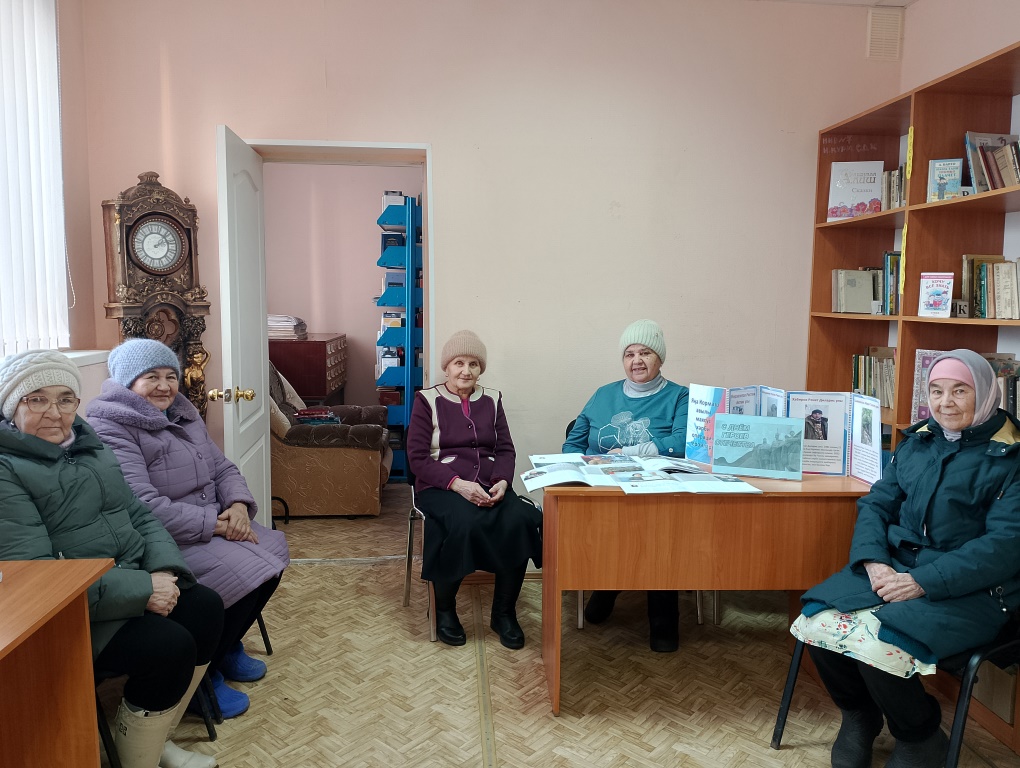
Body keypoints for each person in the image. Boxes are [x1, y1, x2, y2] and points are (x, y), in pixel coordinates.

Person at [791, 349, 1020, 768]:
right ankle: (859, 715)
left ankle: (920, 736)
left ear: (986, 393)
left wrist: (922, 582)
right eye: (936, 391)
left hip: (977, 589)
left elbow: (1005, 545)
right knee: (819, 620)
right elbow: (876, 505)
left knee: (883, 641)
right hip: (895, 567)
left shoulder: (1012, 456)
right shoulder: (918, 441)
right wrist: (873, 561)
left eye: (960, 391)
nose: (945, 403)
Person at [0, 350, 223, 768]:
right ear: (13, 405)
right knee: (169, 648)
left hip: (127, 579)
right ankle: (138, 760)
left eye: (66, 399)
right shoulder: (6, 469)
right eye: (37, 399)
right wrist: (142, 590)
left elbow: (138, 513)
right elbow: (36, 576)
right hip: (70, 609)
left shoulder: (88, 444)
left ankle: (150, 741)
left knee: (206, 607)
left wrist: (163, 571)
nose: (55, 413)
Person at [86, 338, 290, 718]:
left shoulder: (183, 413)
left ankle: (226, 646)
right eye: (151, 377)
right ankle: (202, 676)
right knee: (246, 571)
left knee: (273, 554)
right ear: (128, 382)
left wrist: (238, 506)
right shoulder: (110, 426)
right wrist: (216, 525)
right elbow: (143, 505)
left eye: (170, 376)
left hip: (212, 523)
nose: (164, 386)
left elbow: (223, 468)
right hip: (165, 538)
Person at [406, 330, 542, 649]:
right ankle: (444, 610)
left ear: (481, 369)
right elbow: (417, 458)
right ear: (446, 367)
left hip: (490, 484)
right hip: (440, 486)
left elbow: (505, 449)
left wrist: (503, 480)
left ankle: (504, 613)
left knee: (520, 520)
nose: (465, 371)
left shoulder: (492, 399)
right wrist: (458, 484)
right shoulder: (426, 400)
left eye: (473, 364)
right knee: (463, 522)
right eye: (458, 363)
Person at [562, 319, 689, 652]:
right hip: (604, 493)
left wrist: (631, 452)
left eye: (645, 353)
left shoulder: (680, 396)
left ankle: (663, 616)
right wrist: (578, 466)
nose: (637, 361)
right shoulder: (603, 394)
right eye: (630, 354)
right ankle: (608, 585)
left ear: (660, 358)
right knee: (609, 531)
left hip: (657, 495)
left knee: (658, 536)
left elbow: (682, 443)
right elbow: (573, 442)